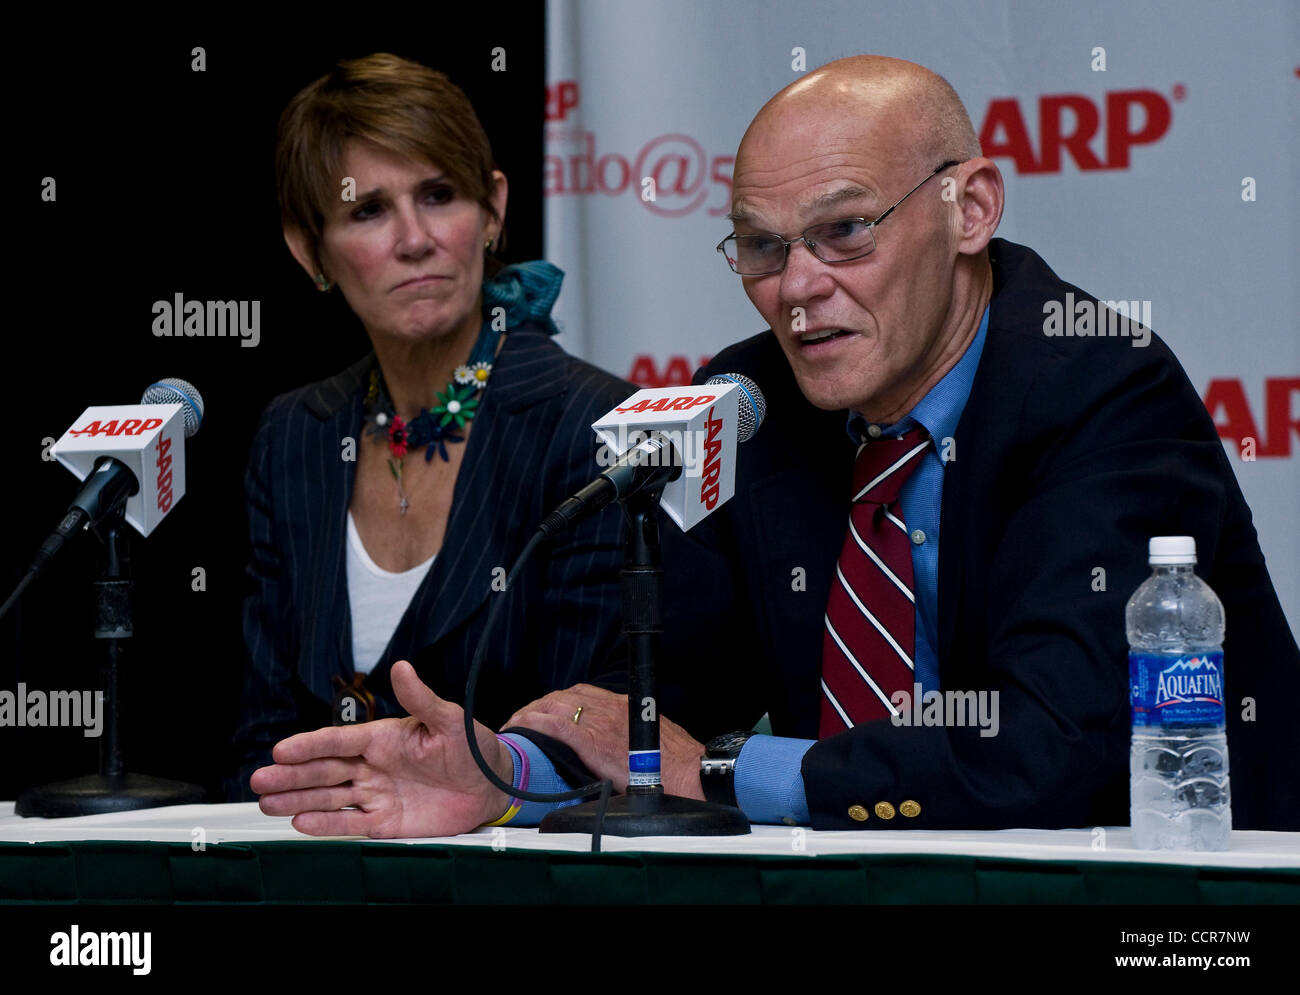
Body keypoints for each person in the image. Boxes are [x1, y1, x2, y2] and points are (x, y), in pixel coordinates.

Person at [251, 55, 1300, 835]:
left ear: (968, 207)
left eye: (845, 231)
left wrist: (717, 772)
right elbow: (657, 685)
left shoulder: (1100, 384)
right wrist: (504, 768)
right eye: (761, 246)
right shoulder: (749, 397)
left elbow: (1054, 749)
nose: (797, 289)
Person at [226, 53, 632, 804]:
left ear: (494, 209)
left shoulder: (595, 427)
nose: (415, 239)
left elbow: (595, 733)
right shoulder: (294, 434)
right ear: (309, 251)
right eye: (368, 211)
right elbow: (263, 740)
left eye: (439, 195)